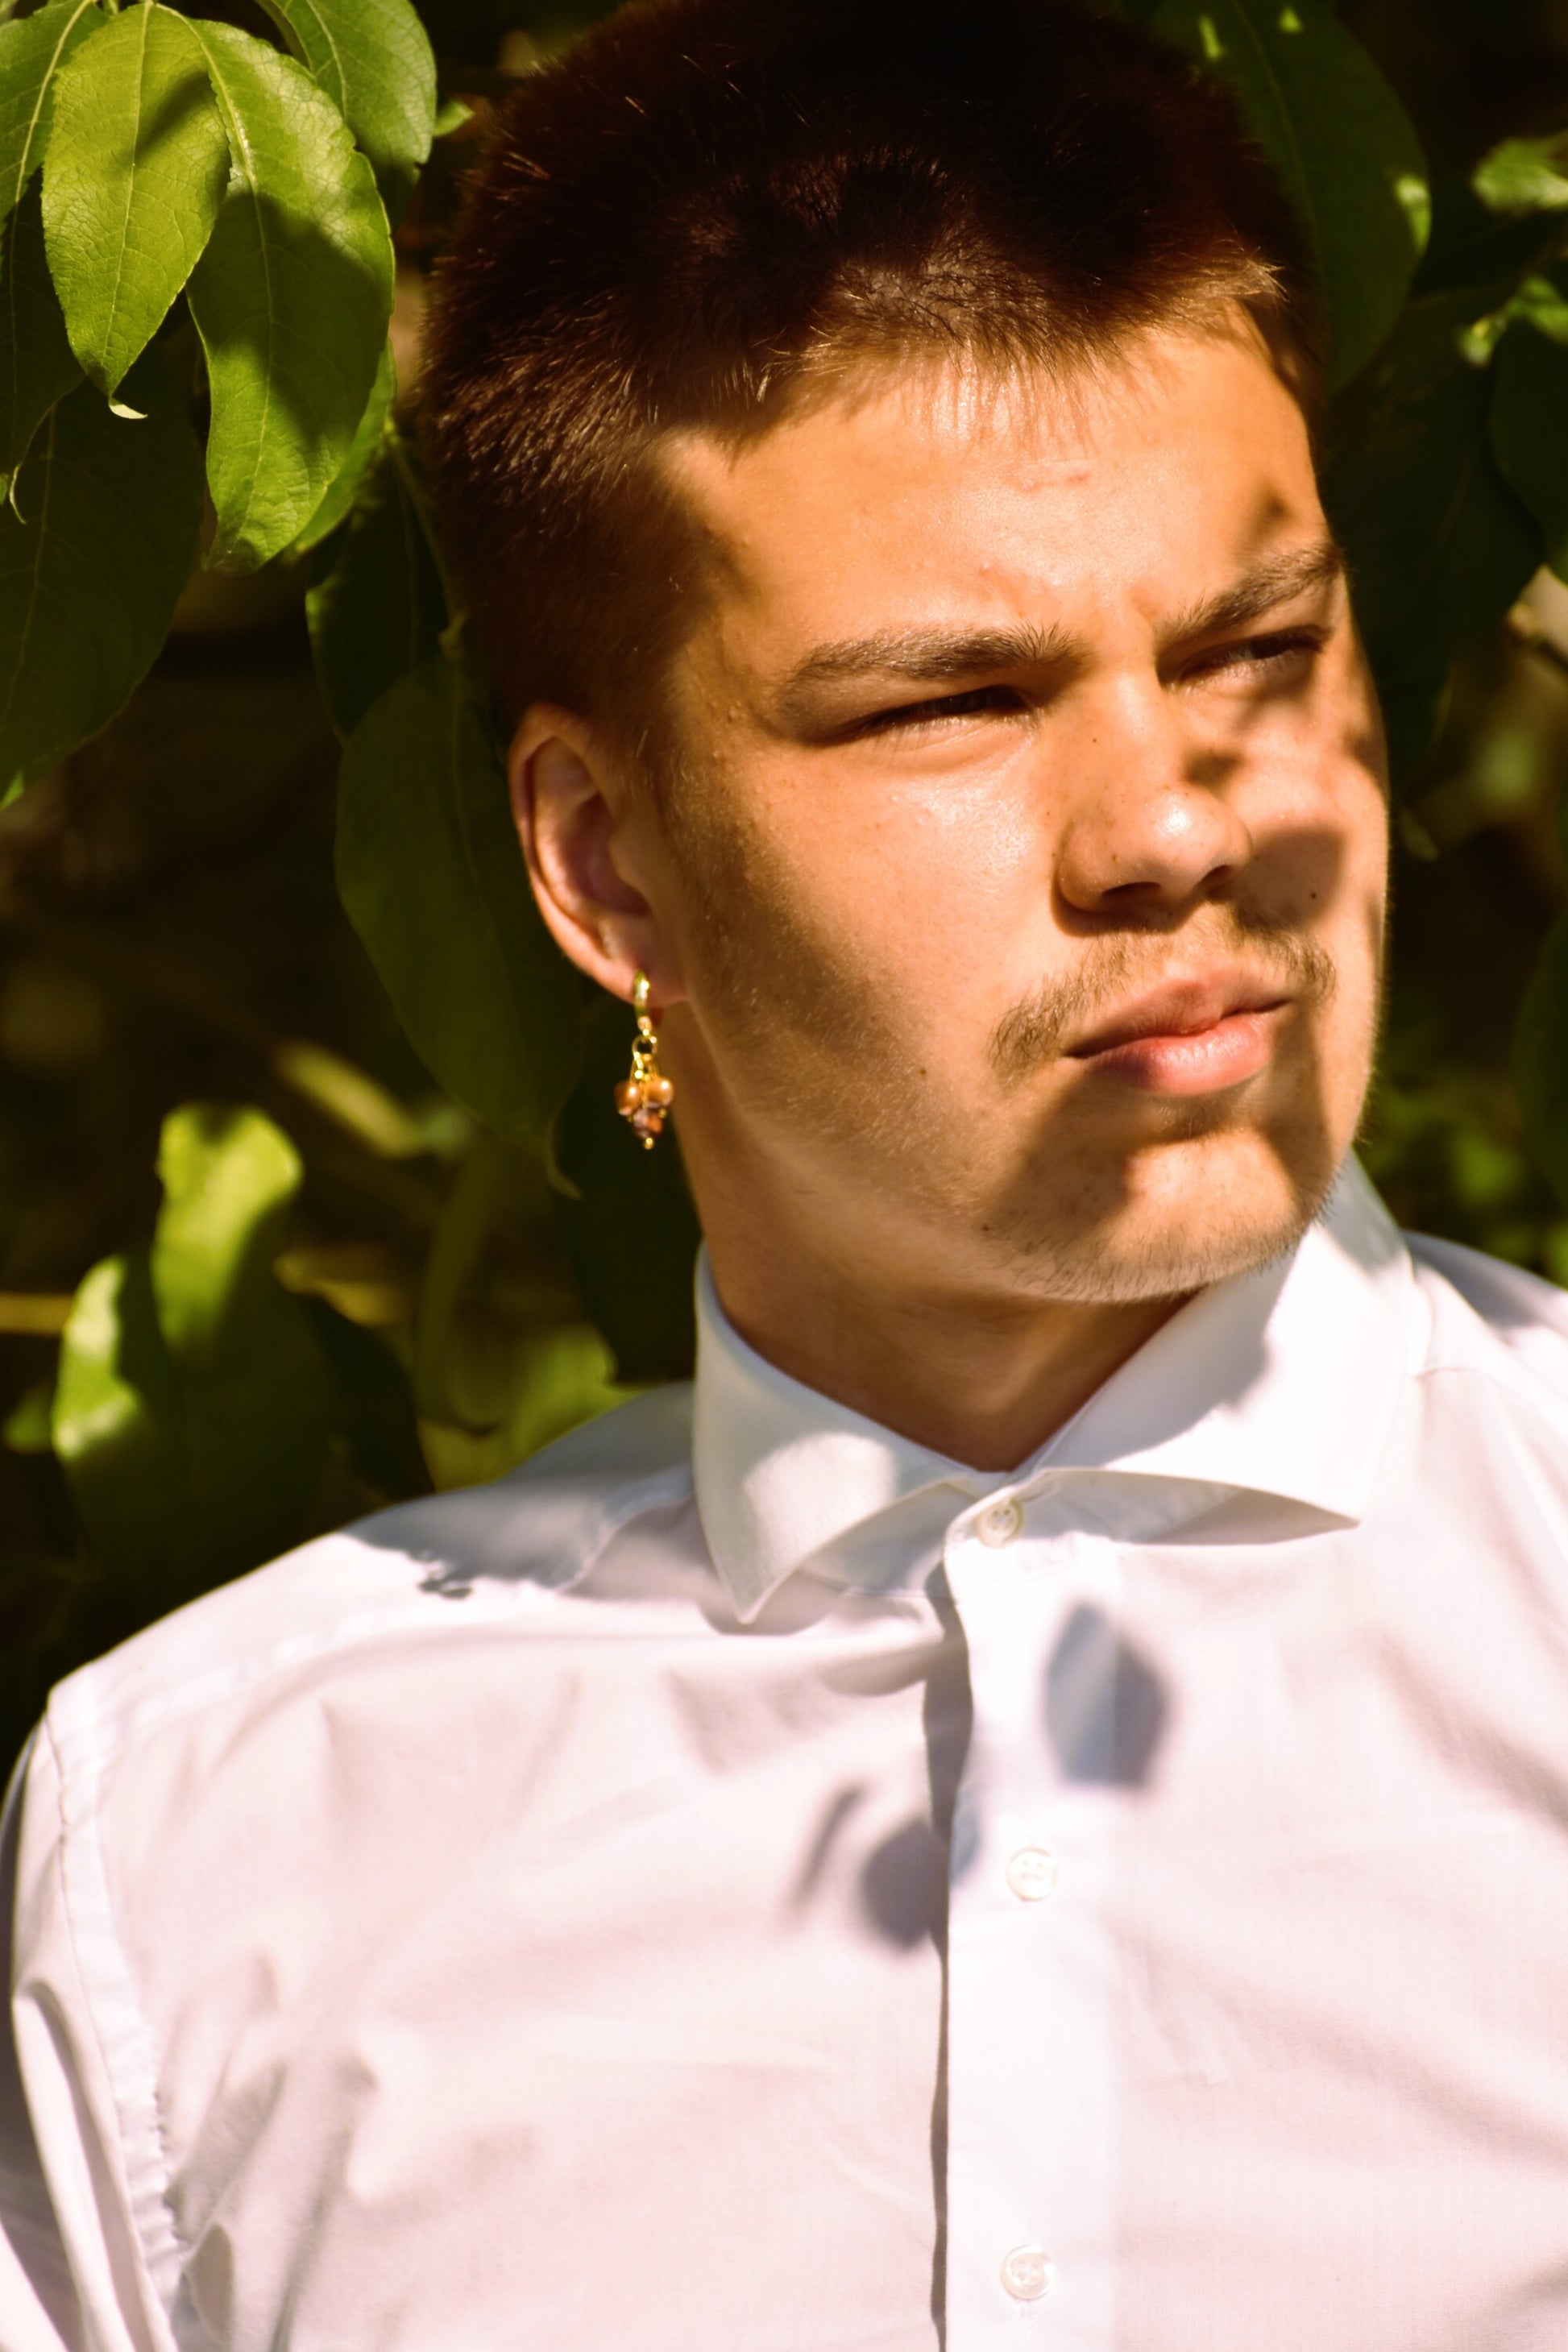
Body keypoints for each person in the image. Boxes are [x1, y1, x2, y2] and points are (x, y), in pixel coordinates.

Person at [6, 0, 1568, 2342]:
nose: (1173, 826)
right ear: (604, 863)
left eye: (1254, 645)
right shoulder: (208, 1834)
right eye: (953, 701)